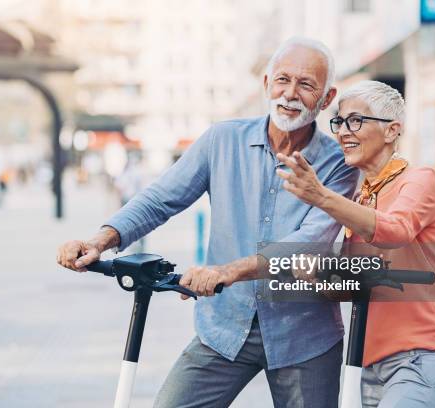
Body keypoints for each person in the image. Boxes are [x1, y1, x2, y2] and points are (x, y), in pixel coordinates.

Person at [57, 37, 359, 407]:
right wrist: (101, 240)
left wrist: (229, 270)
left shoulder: (338, 165)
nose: (290, 93)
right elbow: (160, 198)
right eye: (282, 80)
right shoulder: (222, 140)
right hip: (224, 326)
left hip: (304, 335)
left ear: (327, 99)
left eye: (306, 85)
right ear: (266, 84)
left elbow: (308, 245)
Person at [200, 80, 435, 407]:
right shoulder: (362, 197)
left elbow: (396, 230)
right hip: (370, 364)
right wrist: (317, 279)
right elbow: (359, 284)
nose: (342, 132)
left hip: (421, 357)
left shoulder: (419, 180)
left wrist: (320, 196)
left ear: (392, 130)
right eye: (338, 122)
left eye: (356, 121)